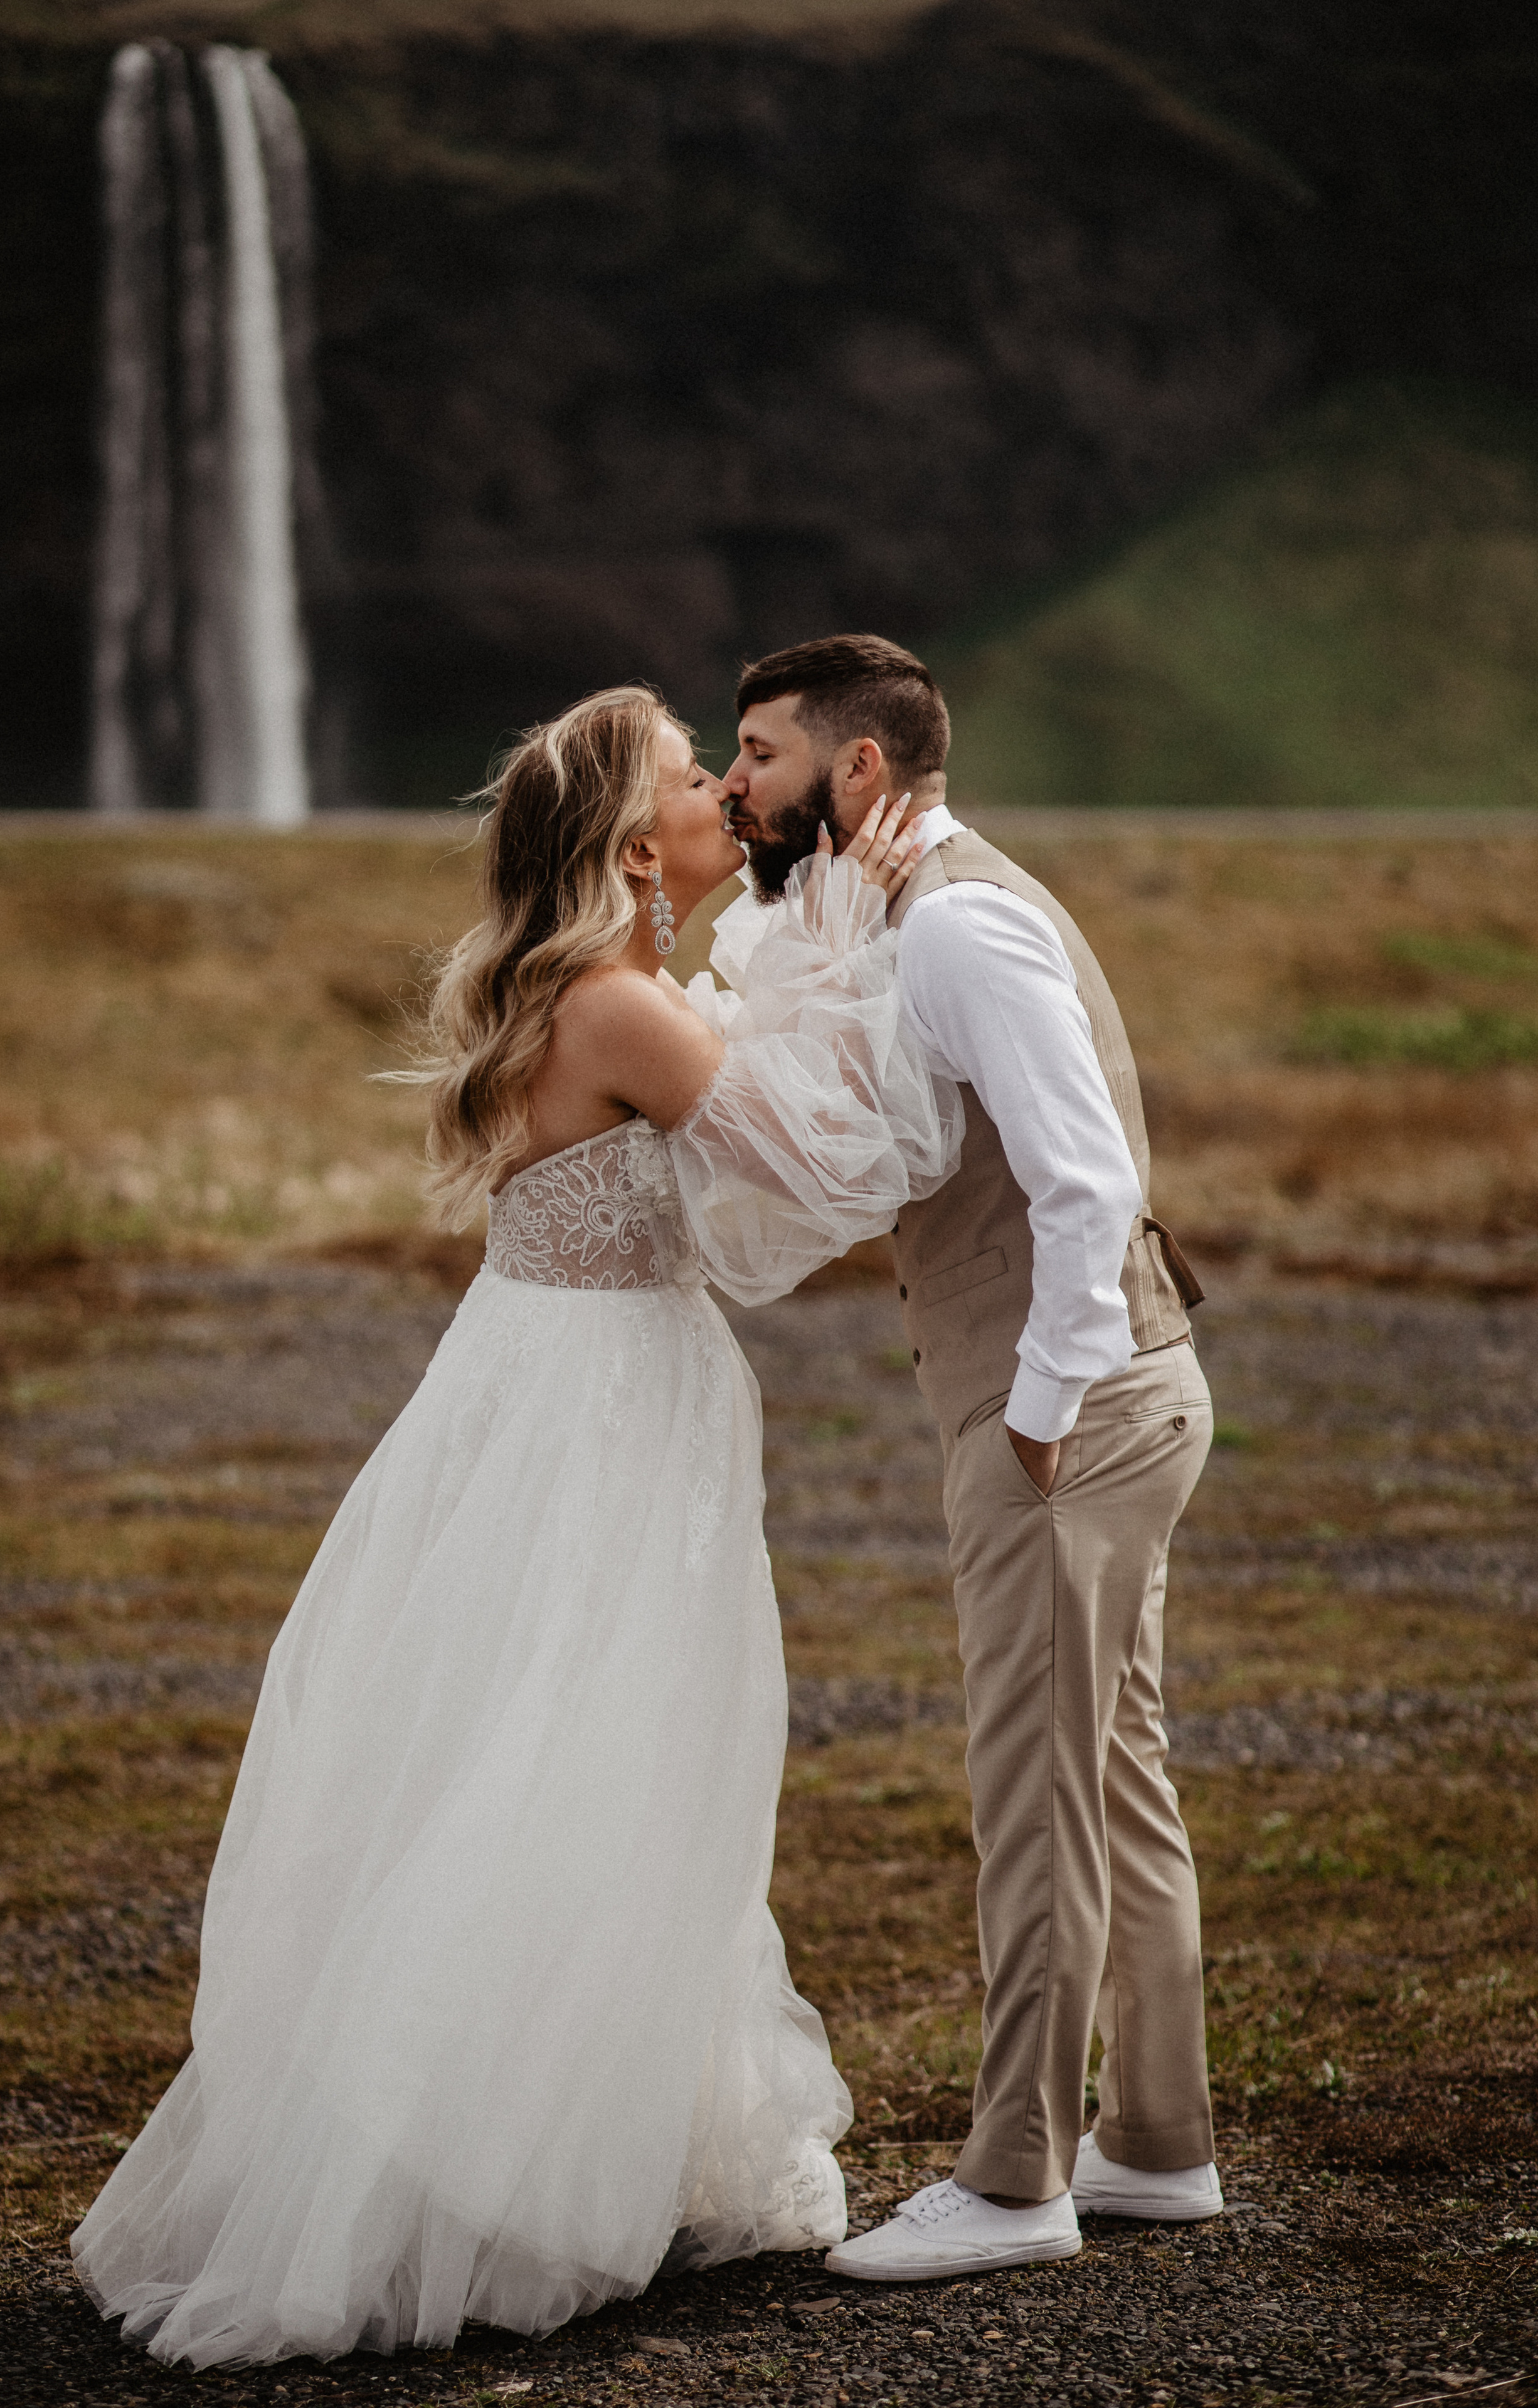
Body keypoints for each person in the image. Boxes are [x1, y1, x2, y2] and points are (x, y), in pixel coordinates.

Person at [70, 685, 962, 2362]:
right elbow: (837, 1165)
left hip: (536, 1394)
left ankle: (593, 2132)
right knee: (592, 1759)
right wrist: (853, 917)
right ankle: (510, 2169)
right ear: (641, 847)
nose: (727, 791)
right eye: (703, 777)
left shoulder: (566, 988)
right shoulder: (620, 1009)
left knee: (555, 1751)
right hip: (604, 1420)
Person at [719, 634, 1222, 2283]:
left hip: (1072, 1412)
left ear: (858, 770)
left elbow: (1083, 1177)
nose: (737, 785)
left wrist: (1043, 1405)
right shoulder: (914, 908)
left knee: (1037, 1800)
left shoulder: (962, 929)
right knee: (1111, 1776)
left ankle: (1017, 2178)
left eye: (760, 753)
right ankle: (1157, 2144)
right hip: (1115, 1395)